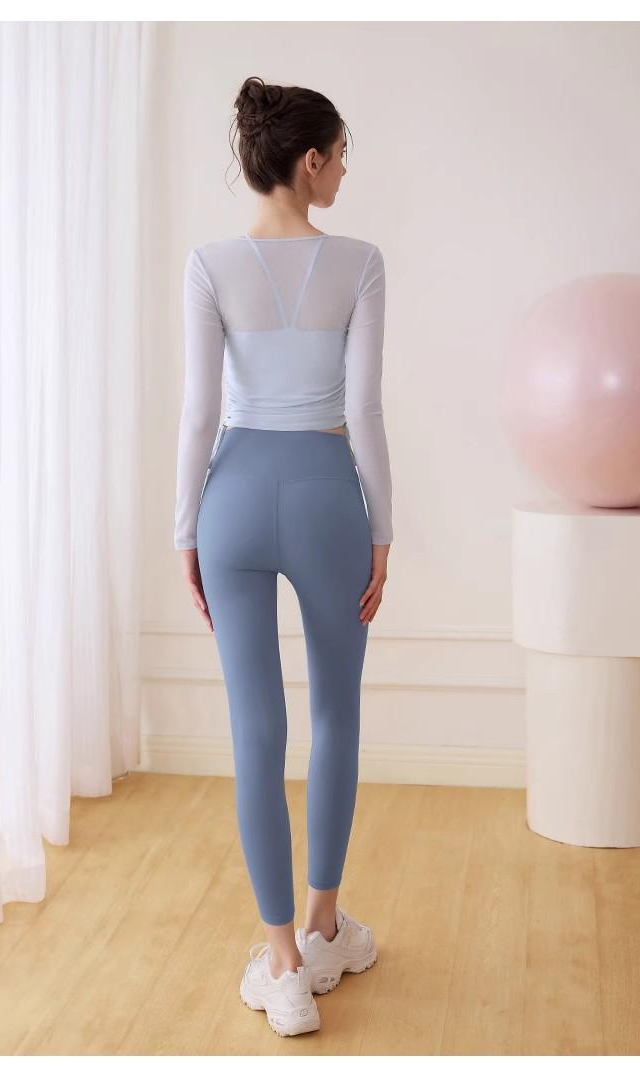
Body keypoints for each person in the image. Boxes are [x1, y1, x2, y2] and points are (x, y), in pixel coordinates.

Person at [174, 75, 393, 1037]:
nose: (344, 171)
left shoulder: (209, 263)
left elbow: (199, 412)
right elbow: (366, 410)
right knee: (335, 714)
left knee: (254, 729)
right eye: (340, 155)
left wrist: (185, 530)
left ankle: (282, 968)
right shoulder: (361, 263)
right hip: (325, 496)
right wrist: (383, 531)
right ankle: (324, 926)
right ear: (310, 161)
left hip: (231, 495)